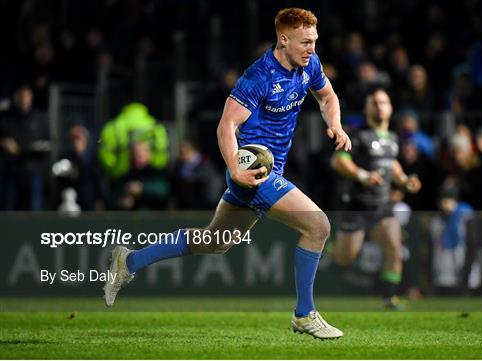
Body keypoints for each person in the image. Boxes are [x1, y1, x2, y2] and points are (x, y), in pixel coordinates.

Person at [104, 8, 350, 339]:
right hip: (253, 170)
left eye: (315, 42)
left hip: (263, 171)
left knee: (214, 242)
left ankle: (128, 262)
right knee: (318, 226)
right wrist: (235, 168)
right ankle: (304, 314)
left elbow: (328, 96)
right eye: (306, 42)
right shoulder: (259, 76)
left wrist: (334, 123)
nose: (312, 49)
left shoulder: (309, 65)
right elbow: (226, 126)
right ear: (283, 39)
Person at [330, 88, 421, 309]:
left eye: (384, 102)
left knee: (394, 247)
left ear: (390, 109)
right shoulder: (358, 135)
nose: (380, 106)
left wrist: (405, 180)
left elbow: (392, 164)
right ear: (367, 108)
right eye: (375, 103)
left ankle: (389, 298)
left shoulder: (392, 138)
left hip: (382, 207)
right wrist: (362, 175)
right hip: (357, 206)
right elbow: (338, 161)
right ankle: (328, 246)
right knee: (345, 257)